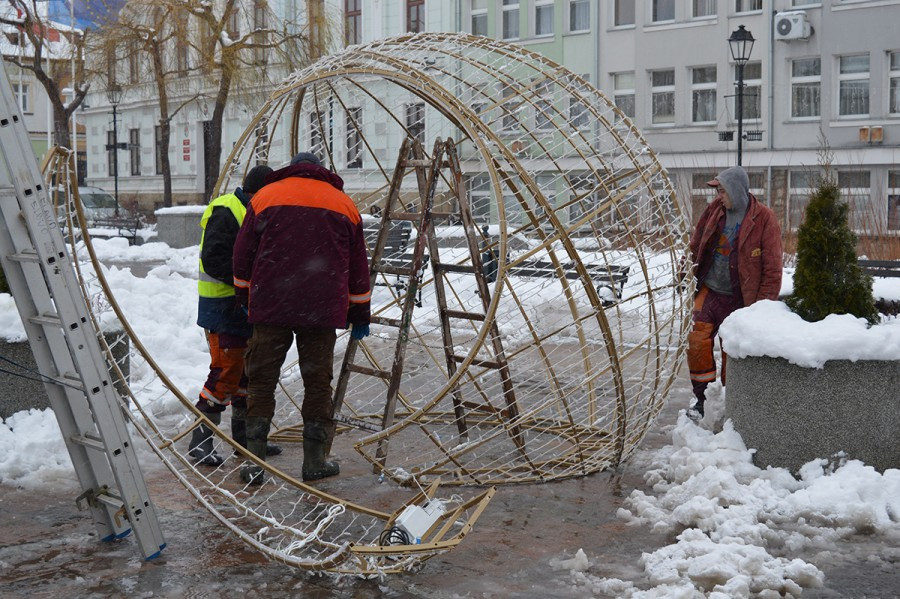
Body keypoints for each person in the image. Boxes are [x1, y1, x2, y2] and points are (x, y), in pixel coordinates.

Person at [233, 152, 371, 484]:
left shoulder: (265, 197)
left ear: (291, 167)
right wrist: (360, 312)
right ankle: (314, 461)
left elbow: (242, 254)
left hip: (272, 303)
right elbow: (358, 267)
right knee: (317, 382)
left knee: (262, 379)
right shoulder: (343, 203)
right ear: (321, 172)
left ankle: (254, 461)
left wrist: (245, 295)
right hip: (321, 308)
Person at [190, 165, 283, 466]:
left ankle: (244, 441)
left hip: (244, 306)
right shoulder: (227, 210)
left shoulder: (254, 210)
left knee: (246, 374)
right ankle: (199, 441)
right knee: (225, 372)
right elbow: (214, 259)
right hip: (222, 307)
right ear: (258, 191)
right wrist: (247, 279)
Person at [685, 165, 782, 420]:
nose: (719, 196)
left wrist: (762, 308)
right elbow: (696, 244)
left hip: (741, 299)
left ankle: (732, 401)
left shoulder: (764, 219)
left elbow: (772, 269)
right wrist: (684, 273)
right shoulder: (714, 211)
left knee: (731, 352)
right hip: (710, 291)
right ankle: (703, 398)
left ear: (736, 191)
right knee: (695, 340)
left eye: (722, 191)